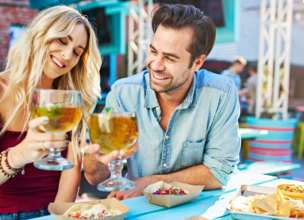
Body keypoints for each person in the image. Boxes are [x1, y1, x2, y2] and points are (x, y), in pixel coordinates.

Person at [97, 4, 241, 200]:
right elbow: (99, 174)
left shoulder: (220, 94)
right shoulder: (123, 93)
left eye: (170, 58)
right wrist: (91, 160)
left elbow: (219, 172)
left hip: (196, 210)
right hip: (138, 208)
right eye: (153, 51)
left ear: (197, 62)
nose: (155, 65)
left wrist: (150, 183)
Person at [0, 5, 115, 219]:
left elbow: (68, 179)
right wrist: (21, 153)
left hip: (56, 214)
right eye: (62, 41)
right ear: (40, 35)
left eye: (77, 52)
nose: (66, 55)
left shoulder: (71, 100)